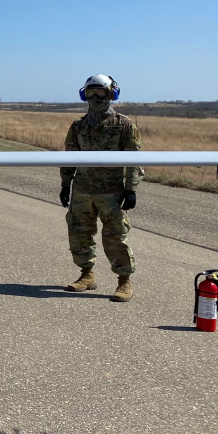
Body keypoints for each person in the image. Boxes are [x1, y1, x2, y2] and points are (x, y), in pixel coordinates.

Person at [59, 74, 142, 302]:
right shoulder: (78, 126)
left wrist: (131, 189)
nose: (95, 97)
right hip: (82, 189)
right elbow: (70, 157)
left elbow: (133, 159)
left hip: (112, 192)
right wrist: (66, 185)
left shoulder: (124, 125)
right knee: (79, 233)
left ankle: (124, 281)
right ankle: (87, 275)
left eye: (101, 92)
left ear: (112, 94)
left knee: (115, 236)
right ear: (83, 94)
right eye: (90, 92)